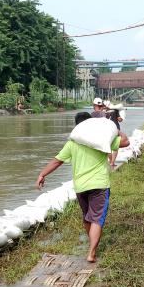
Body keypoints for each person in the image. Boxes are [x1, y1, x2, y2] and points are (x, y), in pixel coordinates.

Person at [36, 112, 129, 263]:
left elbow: (57, 161)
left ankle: (92, 245)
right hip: (99, 185)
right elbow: (126, 142)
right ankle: (92, 253)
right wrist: (115, 129)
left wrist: (42, 174)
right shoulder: (102, 139)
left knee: (87, 218)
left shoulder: (72, 143)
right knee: (97, 219)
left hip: (80, 186)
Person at [103, 100, 124, 166]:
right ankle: (112, 162)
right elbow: (119, 119)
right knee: (115, 146)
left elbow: (119, 119)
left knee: (108, 146)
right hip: (115, 129)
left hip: (108, 129)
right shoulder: (115, 110)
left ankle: (111, 162)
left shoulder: (103, 111)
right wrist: (121, 118)